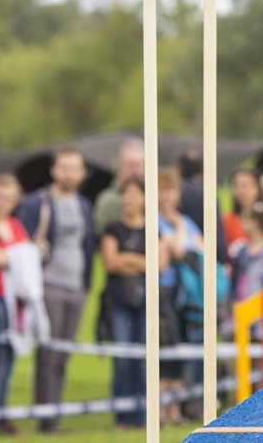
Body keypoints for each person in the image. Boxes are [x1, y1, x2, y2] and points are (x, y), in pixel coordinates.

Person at [16, 146, 95, 434]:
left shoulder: (84, 206)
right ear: (54, 170)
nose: (69, 173)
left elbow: (88, 247)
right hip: (48, 284)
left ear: (83, 173)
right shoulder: (37, 203)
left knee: (63, 354)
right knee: (48, 353)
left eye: (75, 168)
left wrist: (86, 283)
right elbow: (22, 244)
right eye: (64, 167)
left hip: (76, 287)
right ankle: (47, 418)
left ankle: (55, 411)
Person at [100, 177, 169, 430]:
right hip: (119, 300)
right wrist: (141, 260)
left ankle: (142, 416)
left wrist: (126, 259)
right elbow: (111, 263)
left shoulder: (153, 228)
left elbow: (160, 265)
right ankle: (122, 417)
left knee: (144, 358)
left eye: (133, 193)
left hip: (146, 300)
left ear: (143, 198)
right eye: (124, 194)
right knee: (122, 359)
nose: (128, 199)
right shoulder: (112, 228)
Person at [157, 166, 204, 425]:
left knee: (179, 353)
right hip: (163, 293)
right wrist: (177, 229)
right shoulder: (155, 221)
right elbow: (177, 251)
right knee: (164, 351)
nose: (166, 196)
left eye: (170, 190)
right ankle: (162, 410)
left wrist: (178, 231)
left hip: (186, 296)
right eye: (162, 190)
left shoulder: (185, 221)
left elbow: (202, 249)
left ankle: (175, 409)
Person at [0, 174, 29, 435]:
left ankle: (0, 412)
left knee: (7, 359)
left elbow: (23, 259)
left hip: (14, 301)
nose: (2, 203)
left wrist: (10, 251)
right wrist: (15, 251)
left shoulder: (15, 226)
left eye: (8, 198)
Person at [177, 149, 227, 263]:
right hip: (207, 257)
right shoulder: (207, 193)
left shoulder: (176, 192)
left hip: (183, 258)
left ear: (179, 169)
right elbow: (217, 232)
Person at [93, 138, 145, 237]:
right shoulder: (108, 200)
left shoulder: (154, 196)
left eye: (140, 165)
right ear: (119, 166)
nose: (137, 171)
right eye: (131, 165)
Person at [222, 168, 262, 248]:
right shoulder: (226, 220)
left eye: (245, 185)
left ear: (257, 188)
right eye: (236, 186)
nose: (241, 191)